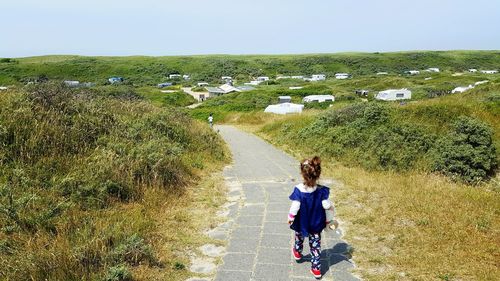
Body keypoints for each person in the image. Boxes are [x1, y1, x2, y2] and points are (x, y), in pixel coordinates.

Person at [288, 156, 334, 279]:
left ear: (302, 173)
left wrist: (290, 217)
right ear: (317, 174)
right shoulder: (321, 191)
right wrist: (329, 218)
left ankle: (297, 252)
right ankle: (316, 268)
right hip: (316, 223)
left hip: (302, 222)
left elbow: (295, 206)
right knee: (316, 246)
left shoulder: (298, 190)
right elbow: (326, 205)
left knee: (299, 236)